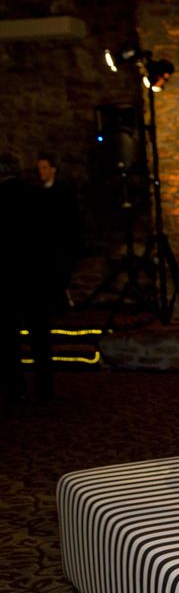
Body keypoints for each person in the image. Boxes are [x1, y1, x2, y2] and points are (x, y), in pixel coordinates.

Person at [0, 151, 50, 405]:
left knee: (9, 338)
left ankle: (15, 389)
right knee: (40, 333)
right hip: (35, 274)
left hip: (7, 277)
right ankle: (44, 387)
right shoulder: (36, 195)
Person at [36, 152, 81, 308]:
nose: (41, 171)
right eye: (39, 168)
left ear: (53, 170)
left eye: (44, 167)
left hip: (61, 240)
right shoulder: (37, 191)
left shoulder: (63, 191)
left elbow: (70, 216)